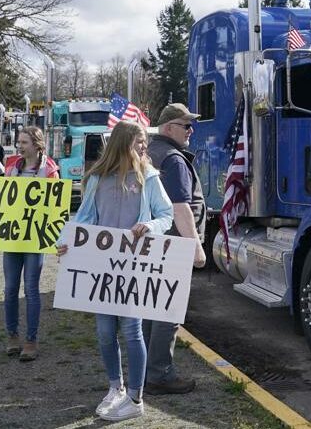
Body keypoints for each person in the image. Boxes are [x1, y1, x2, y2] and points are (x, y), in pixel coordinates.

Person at [56, 120, 174, 422]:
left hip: (133, 266)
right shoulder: (96, 178)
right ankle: (115, 387)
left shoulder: (149, 176)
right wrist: (65, 241)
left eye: (144, 141)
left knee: (132, 331)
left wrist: (149, 226)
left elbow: (166, 214)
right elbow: (84, 217)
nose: (144, 146)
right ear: (123, 143)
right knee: (105, 333)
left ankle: (136, 397)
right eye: (139, 142)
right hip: (100, 266)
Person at [144, 103, 208, 395]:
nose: (191, 131)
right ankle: (160, 374)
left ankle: (144, 369)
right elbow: (181, 208)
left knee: (148, 308)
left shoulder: (148, 153)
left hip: (153, 241)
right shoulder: (174, 159)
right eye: (186, 125)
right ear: (169, 128)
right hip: (173, 244)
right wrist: (196, 247)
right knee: (168, 311)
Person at [2, 126, 59, 362]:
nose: (20, 146)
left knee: (32, 289)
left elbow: (55, 206)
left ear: (37, 145)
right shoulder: (12, 167)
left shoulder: (49, 171)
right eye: (19, 142)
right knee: (10, 289)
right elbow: (2, 197)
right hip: (13, 236)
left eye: (24, 142)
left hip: (35, 238)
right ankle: (12, 335)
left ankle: (31, 339)